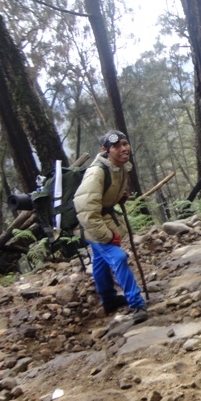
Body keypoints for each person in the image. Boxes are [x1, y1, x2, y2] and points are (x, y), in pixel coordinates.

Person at [74, 131, 148, 323]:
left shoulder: (119, 167)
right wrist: (107, 236)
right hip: (91, 225)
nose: (123, 148)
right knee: (119, 257)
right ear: (105, 150)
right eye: (117, 146)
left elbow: (103, 196)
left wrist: (118, 196)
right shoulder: (97, 172)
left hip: (99, 219)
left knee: (100, 260)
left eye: (125, 144)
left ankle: (109, 300)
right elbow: (86, 210)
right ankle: (137, 304)